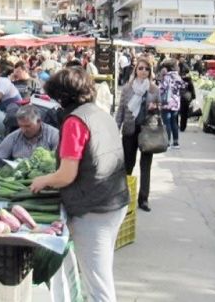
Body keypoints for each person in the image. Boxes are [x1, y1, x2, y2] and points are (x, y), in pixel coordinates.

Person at [30, 68, 129, 302]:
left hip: (94, 208)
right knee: (99, 274)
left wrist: (43, 180)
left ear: (63, 97)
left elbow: (66, 174)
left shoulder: (75, 121)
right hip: (113, 199)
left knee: (98, 284)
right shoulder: (99, 113)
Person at [116, 57, 159, 212]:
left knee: (145, 167)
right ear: (136, 70)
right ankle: (124, 197)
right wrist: (116, 127)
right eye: (140, 68)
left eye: (146, 69)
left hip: (147, 131)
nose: (143, 71)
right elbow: (121, 110)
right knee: (127, 165)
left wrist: (154, 108)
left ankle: (144, 199)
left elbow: (159, 111)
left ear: (150, 72)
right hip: (130, 130)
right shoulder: (128, 88)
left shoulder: (154, 89)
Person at [0, 105, 60, 170]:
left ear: (39, 121)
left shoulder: (53, 135)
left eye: (28, 126)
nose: (23, 130)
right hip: (18, 180)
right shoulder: (14, 137)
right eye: (20, 126)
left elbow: (59, 161)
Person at [158, 59, 185, 149]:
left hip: (166, 102)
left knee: (167, 123)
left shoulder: (166, 77)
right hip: (176, 103)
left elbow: (161, 89)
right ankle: (176, 142)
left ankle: (168, 142)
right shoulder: (178, 77)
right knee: (174, 122)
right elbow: (183, 87)